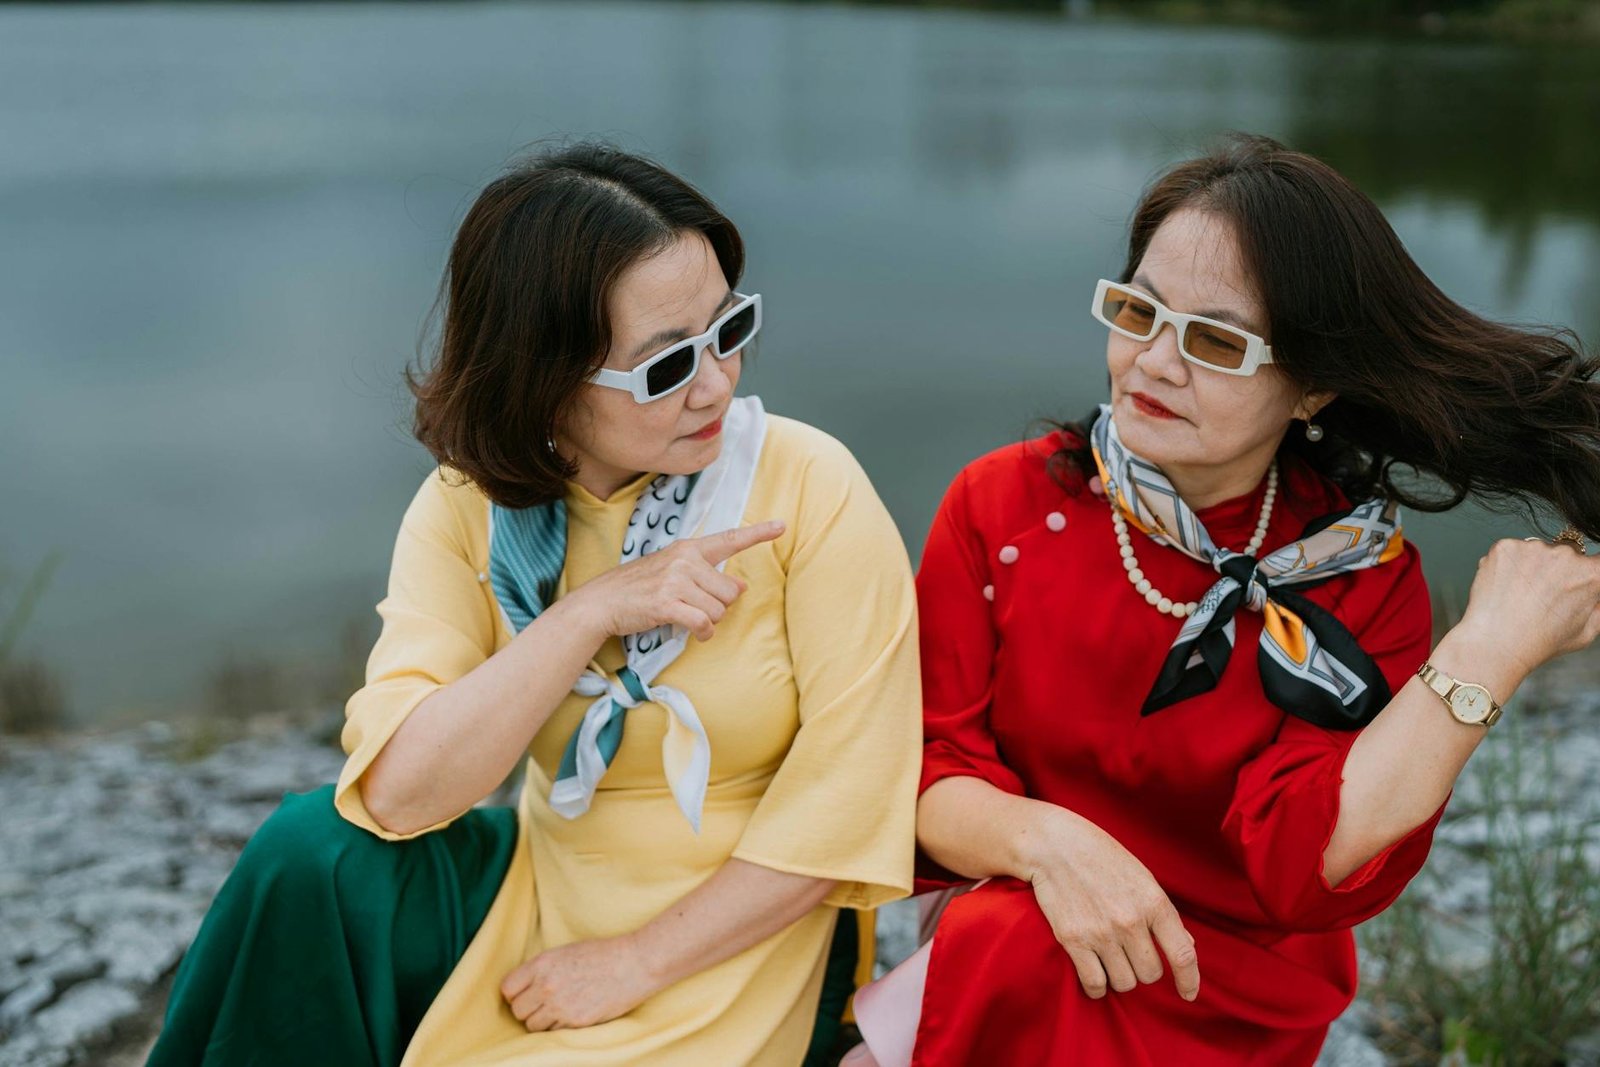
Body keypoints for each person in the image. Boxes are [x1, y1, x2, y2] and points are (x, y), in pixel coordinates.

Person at [148, 143, 922, 1067]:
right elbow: (399, 793)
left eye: (729, 327)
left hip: (735, 935)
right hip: (543, 886)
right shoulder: (471, 502)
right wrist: (583, 615)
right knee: (310, 849)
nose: (719, 380)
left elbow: (847, 808)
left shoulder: (809, 484)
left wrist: (633, 962)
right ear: (544, 379)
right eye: (667, 365)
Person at [848, 133, 1600, 1066]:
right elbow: (924, 773)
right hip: (1023, 929)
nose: (1156, 361)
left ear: (1313, 385)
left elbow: (1309, 860)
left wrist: (1490, 646)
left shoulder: (1358, 572)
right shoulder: (1005, 505)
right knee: (1010, 942)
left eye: (1215, 340)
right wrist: (1050, 844)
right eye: (1137, 312)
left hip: (1229, 987)